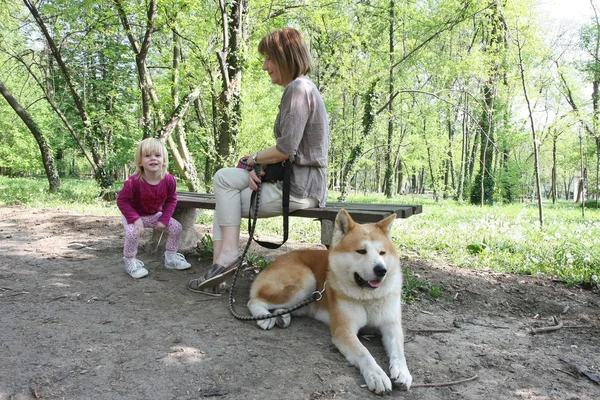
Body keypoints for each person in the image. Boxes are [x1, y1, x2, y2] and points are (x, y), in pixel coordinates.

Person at [188, 27, 329, 292]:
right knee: (224, 179)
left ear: (285, 56)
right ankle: (220, 264)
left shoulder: (298, 89)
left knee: (224, 198)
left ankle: (224, 261)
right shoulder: (303, 88)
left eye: (269, 59)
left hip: (300, 188)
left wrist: (254, 158)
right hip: (296, 181)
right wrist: (257, 166)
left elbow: (287, 148)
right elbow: (289, 150)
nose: (265, 67)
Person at [117, 138, 191, 278]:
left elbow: (171, 200)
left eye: (157, 155)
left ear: (164, 159)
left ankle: (171, 258)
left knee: (176, 227)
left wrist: (164, 219)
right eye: (147, 156)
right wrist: (135, 219)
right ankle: (130, 261)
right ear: (140, 161)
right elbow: (122, 201)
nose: (153, 159)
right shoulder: (134, 182)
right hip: (133, 215)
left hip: (154, 214)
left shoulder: (169, 180)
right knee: (133, 233)